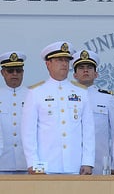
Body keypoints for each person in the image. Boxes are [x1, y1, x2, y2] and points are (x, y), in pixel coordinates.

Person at [21, 41, 95, 175]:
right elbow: (28, 133)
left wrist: (87, 162)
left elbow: (88, 131)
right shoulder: (36, 92)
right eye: (59, 60)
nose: (64, 64)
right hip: (46, 166)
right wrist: (33, 164)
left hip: (75, 165)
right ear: (48, 64)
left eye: (66, 60)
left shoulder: (81, 92)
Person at [71, 49, 114, 175]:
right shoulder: (65, 98)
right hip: (71, 163)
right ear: (74, 75)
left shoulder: (107, 98)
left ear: (96, 74)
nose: (85, 70)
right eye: (81, 68)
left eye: (89, 67)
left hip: (99, 164)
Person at [0, 51, 28, 173]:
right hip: (2, 162)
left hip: (27, 163)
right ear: (2, 73)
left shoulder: (32, 95)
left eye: (18, 70)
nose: (15, 74)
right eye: (10, 71)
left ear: (23, 72)